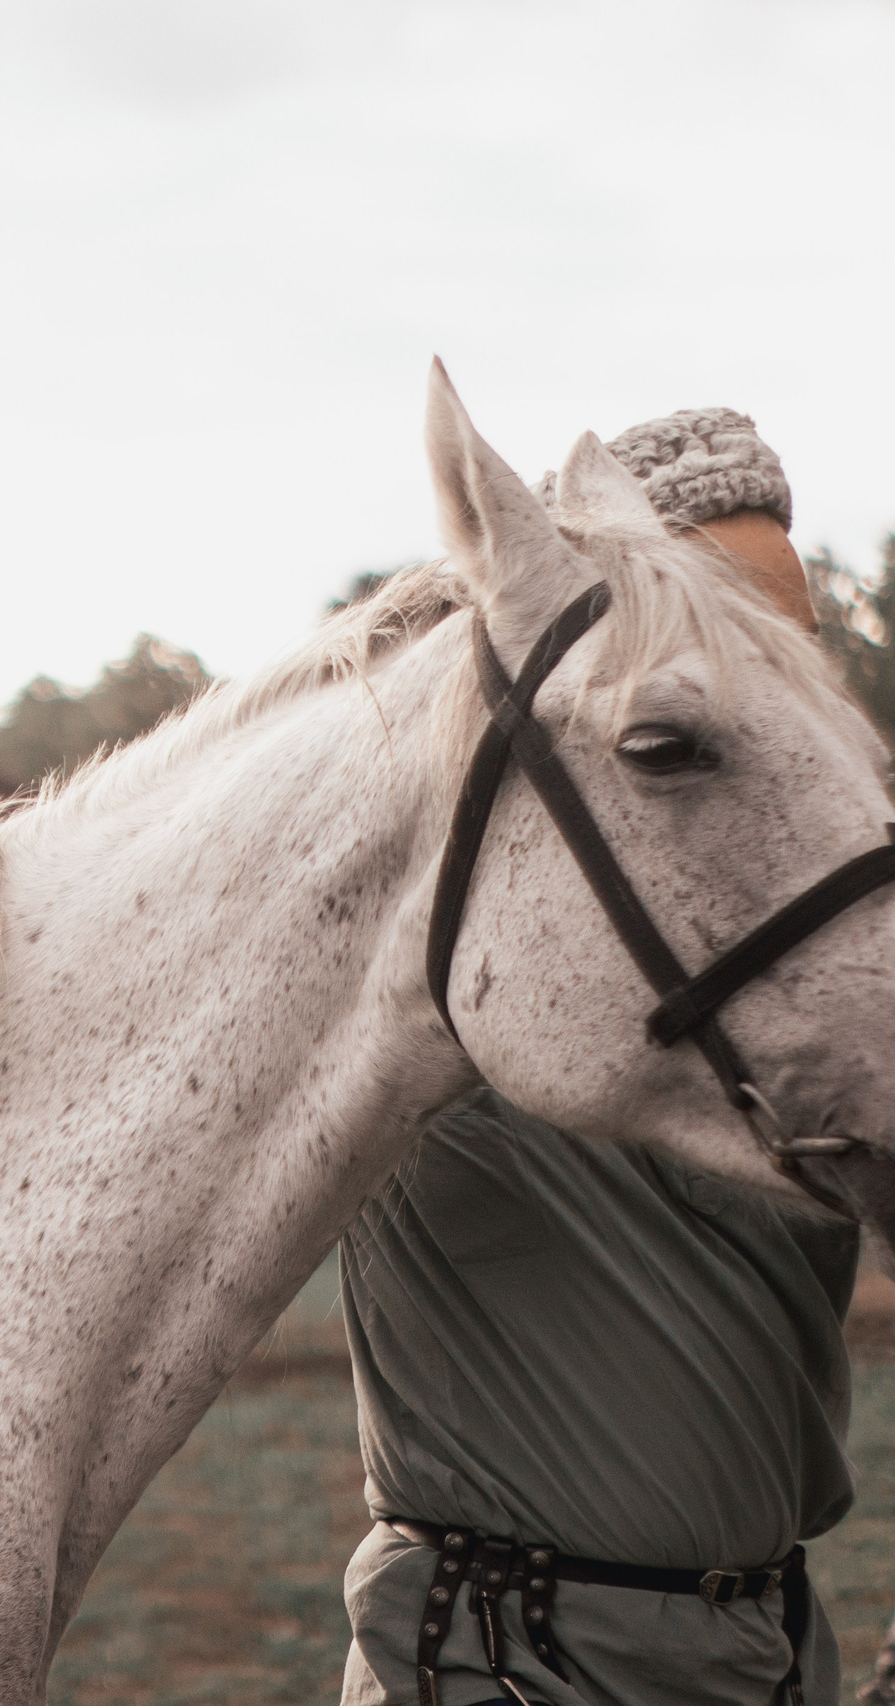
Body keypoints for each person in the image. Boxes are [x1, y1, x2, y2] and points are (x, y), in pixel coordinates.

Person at [338, 407, 861, 1706]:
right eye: (729, 633)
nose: (776, 670)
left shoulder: (814, 982)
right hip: (506, 1660)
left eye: (794, 640)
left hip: (774, 1651)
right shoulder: (452, 946)